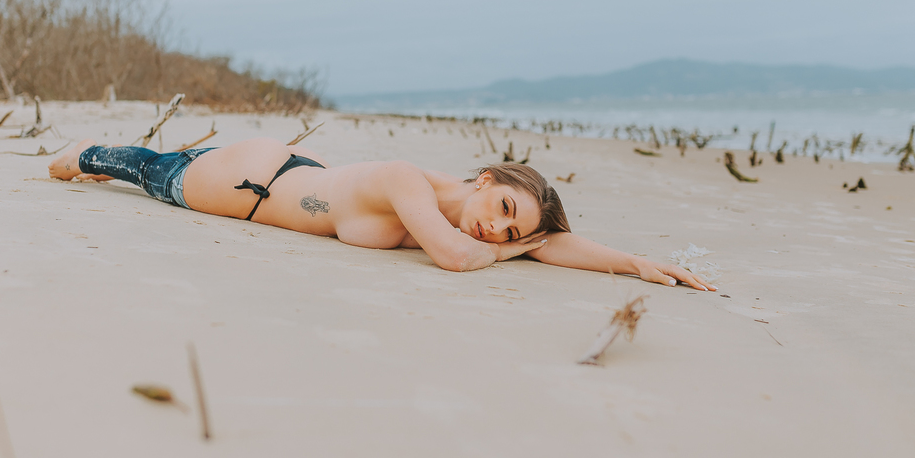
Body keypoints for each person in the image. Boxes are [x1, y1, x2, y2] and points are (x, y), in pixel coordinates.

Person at [48, 137, 714, 290]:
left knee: (153, 165)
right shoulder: (406, 181)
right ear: (486, 179)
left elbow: (549, 244)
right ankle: (84, 152)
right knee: (143, 169)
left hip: (295, 177)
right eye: (504, 208)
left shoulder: (472, 222)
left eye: (511, 229)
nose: (498, 228)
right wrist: (509, 248)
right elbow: (457, 258)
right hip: (240, 181)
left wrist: (634, 263)